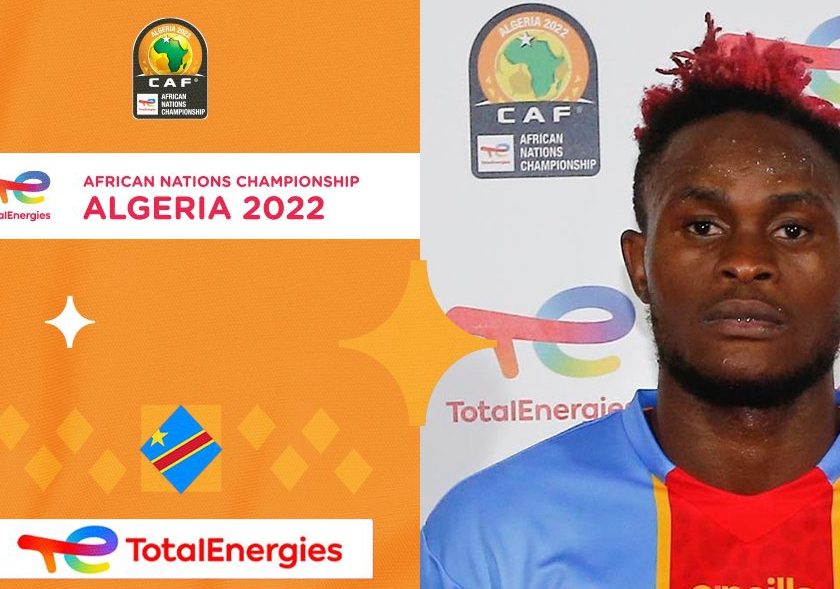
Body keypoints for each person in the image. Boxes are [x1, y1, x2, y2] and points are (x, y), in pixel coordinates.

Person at [421, 15, 840, 588]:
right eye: (703, 227)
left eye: (792, 230)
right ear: (639, 266)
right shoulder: (495, 535)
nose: (746, 261)